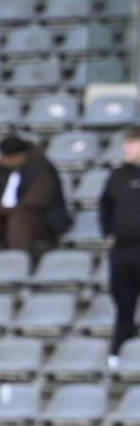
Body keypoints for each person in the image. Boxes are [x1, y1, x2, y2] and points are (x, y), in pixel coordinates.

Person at [0, 135, 71, 262]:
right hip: (3, 216)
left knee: (19, 219)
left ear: (19, 156)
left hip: (42, 220)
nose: (2, 160)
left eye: (6, 158)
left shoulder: (42, 171)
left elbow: (33, 204)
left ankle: (17, 264)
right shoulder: (0, 169)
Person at [100, 126, 140, 362]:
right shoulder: (118, 176)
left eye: (133, 143)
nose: (127, 149)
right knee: (123, 305)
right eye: (126, 144)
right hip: (122, 251)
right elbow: (105, 206)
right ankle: (118, 353)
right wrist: (109, 232)